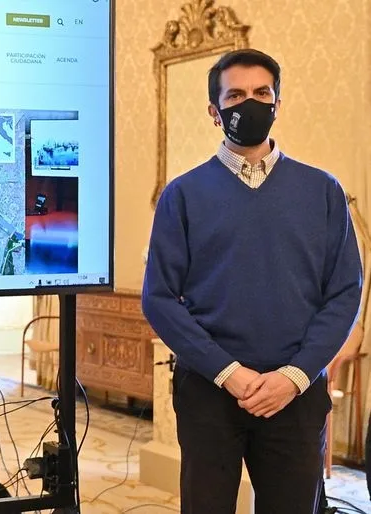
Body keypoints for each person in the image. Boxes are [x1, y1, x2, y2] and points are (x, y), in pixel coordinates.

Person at [141, 49, 362, 514]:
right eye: (236, 95)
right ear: (215, 111)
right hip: (209, 391)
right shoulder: (182, 195)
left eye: (262, 93)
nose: (251, 104)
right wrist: (230, 373)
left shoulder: (323, 190)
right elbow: (159, 298)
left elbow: (345, 292)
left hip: (296, 393)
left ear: (278, 103)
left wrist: (294, 376)